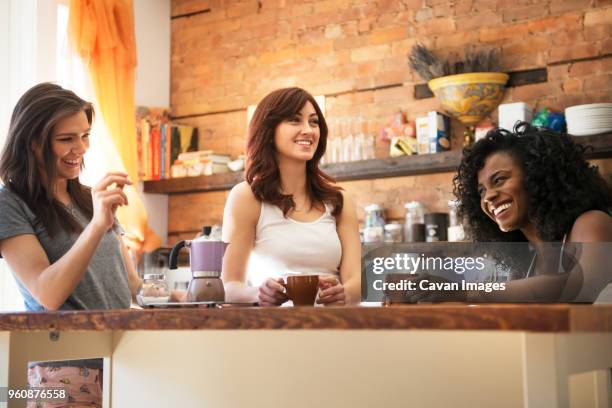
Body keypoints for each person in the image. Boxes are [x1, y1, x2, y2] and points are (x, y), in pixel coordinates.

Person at [0, 83, 142, 406]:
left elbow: (131, 286)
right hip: (60, 370)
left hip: (122, 361)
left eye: (85, 135)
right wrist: (96, 226)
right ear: (33, 142)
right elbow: (47, 293)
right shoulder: (10, 203)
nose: (81, 148)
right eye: (66, 139)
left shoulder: (91, 200)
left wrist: (190, 294)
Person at [221, 87, 361, 306]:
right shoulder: (247, 197)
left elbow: (356, 284)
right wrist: (258, 294)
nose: (308, 130)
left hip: (335, 327)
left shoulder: (340, 200)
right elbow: (228, 286)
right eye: (295, 120)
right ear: (269, 130)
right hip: (273, 330)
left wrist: (343, 294)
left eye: (313, 122)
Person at [448, 122, 612, 302]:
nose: (488, 197)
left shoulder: (592, 223)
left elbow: (580, 287)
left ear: (536, 174)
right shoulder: (523, 263)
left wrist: (462, 291)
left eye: (499, 180)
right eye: (481, 191)